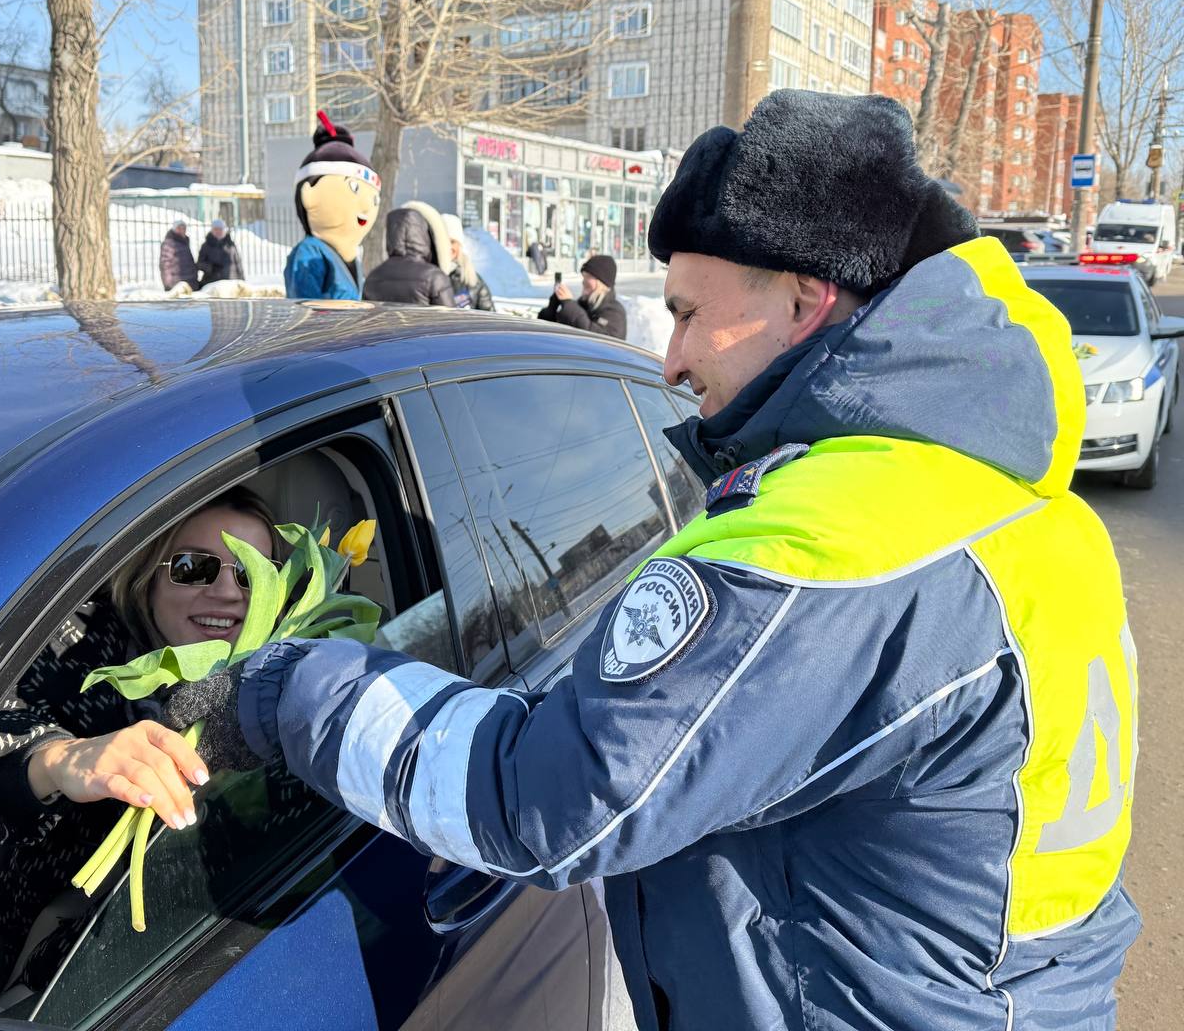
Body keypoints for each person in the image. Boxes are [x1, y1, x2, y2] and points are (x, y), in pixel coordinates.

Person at [166, 92, 1139, 1031]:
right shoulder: (1013, 502)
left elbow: (550, 798)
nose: (666, 359)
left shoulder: (830, 543)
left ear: (805, 299)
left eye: (684, 312)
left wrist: (282, 685)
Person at [0, 489, 280, 990]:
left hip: (220, 944)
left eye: (252, 574)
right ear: (148, 576)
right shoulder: (76, 646)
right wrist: (58, 759)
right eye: (192, 566)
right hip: (70, 958)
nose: (229, 593)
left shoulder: (278, 684)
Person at [284, 113, 381, 300]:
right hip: (329, 330)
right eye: (354, 188)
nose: (367, 207)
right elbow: (305, 307)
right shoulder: (310, 252)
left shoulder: (351, 255)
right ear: (309, 196)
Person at [361, 200, 456, 307]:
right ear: (425, 234)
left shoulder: (373, 277)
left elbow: (368, 320)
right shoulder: (435, 278)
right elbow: (452, 320)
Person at [537, 253, 627, 339]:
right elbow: (552, 328)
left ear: (601, 282)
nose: (584, 282)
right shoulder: (583, 304)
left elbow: (595, 336)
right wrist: (552, 307)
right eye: (584, 277)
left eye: (588, 277)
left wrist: (569, 304)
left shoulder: (613, 311)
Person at [442, 213, 494, 311]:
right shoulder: (428, 277)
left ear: (460, 245)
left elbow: (490, 319)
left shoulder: (473, 281)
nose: (449, 247)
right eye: (445, 242)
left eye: (453, 242)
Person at [196, 219, 245, 287]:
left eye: (220, 229)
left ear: (224, 230)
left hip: (231, 282)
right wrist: (211, 268)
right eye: (216, 229)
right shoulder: (206, 246)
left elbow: (238, 264)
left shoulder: (231, 245)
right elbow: (200, 263)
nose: (218, 231)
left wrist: (242, 281)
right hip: (213, 283)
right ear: (212, 230)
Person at [159, 219, 197, 291]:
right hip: (176, 283)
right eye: (179, 228)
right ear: (174, 229)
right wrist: (168, 284)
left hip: (189, 282)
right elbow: (165, 265)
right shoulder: (169, 243)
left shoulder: (184, 242)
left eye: (184, 228)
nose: (182, 230)